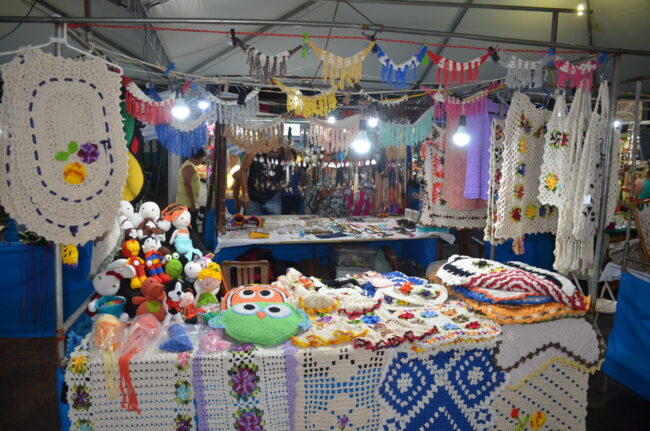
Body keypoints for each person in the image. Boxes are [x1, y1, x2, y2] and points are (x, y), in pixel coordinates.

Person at [239, 147, 292, 215]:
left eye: (277, 151)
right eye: (272, 150)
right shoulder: (254, 152)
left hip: (273, 198)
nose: (274, 150)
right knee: (253, 221)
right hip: (253, 198)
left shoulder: (285, 152)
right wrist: (245, 194)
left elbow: (290, 164)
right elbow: (242, 171)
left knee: (275, 221)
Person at [176, 148, 205, 227]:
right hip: (186, 203)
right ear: (200, 158)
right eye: (202, 158)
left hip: (188, 203)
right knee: (189, 226)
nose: (202, 160)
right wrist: (192, 204)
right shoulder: (189, 166)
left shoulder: (191, 165)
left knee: (191, 225)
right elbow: (187, 184)